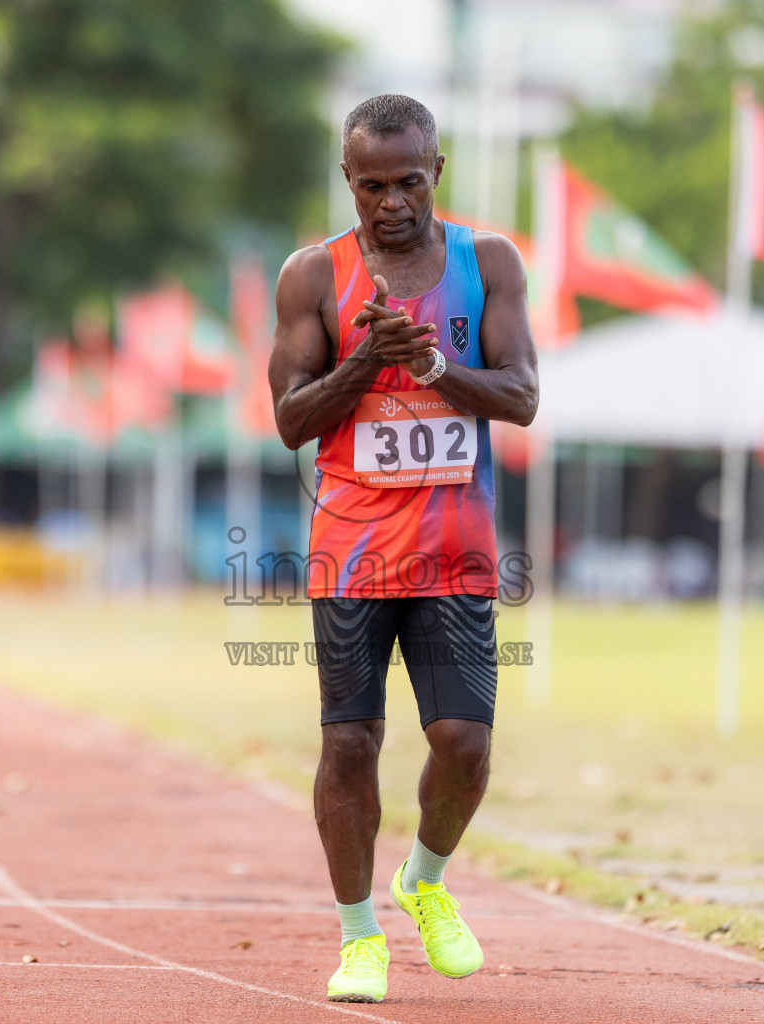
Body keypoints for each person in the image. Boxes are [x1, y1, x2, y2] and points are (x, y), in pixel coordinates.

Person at [267, 94, 538, 1003]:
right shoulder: (312, 276)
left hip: (454, 546)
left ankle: (423, 879)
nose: (392, 202)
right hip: (352, 548)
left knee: (463, 744)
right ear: (347, 179)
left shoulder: (487, 263)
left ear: (437, 173)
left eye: (410, 182)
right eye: (372, 185)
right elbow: (290, 421)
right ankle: (358, 937)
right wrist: (365, 361)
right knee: (350, 743)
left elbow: (522, 395)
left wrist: (429, 366)